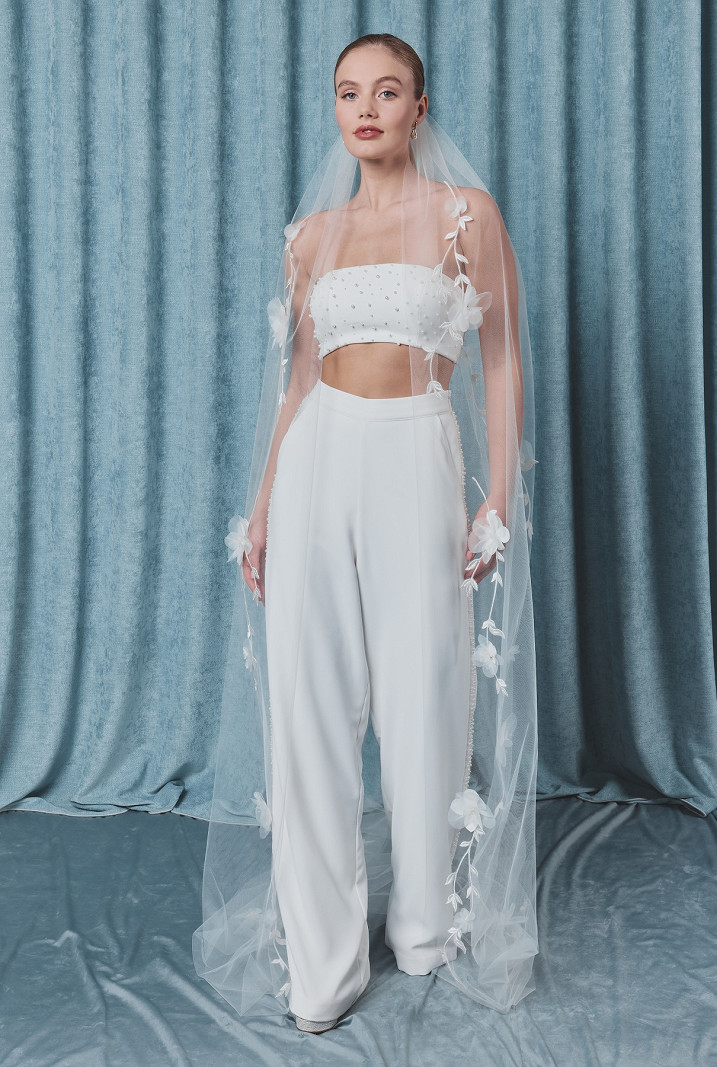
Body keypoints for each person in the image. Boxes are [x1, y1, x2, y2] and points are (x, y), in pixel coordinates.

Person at [193, 33, 539, 1034]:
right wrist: (264, 504)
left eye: (388, 92)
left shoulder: (466, 216)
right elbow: (298, 378)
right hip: (317, 457)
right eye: (350, 93)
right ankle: (322, 961)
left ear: (418, 108)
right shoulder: (310, 234)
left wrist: (497, 496)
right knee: (306, 701)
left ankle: (424, 924)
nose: (367, 108)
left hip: (415, 451)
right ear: (336, 108)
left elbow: (502, 358)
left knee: (424, 692)